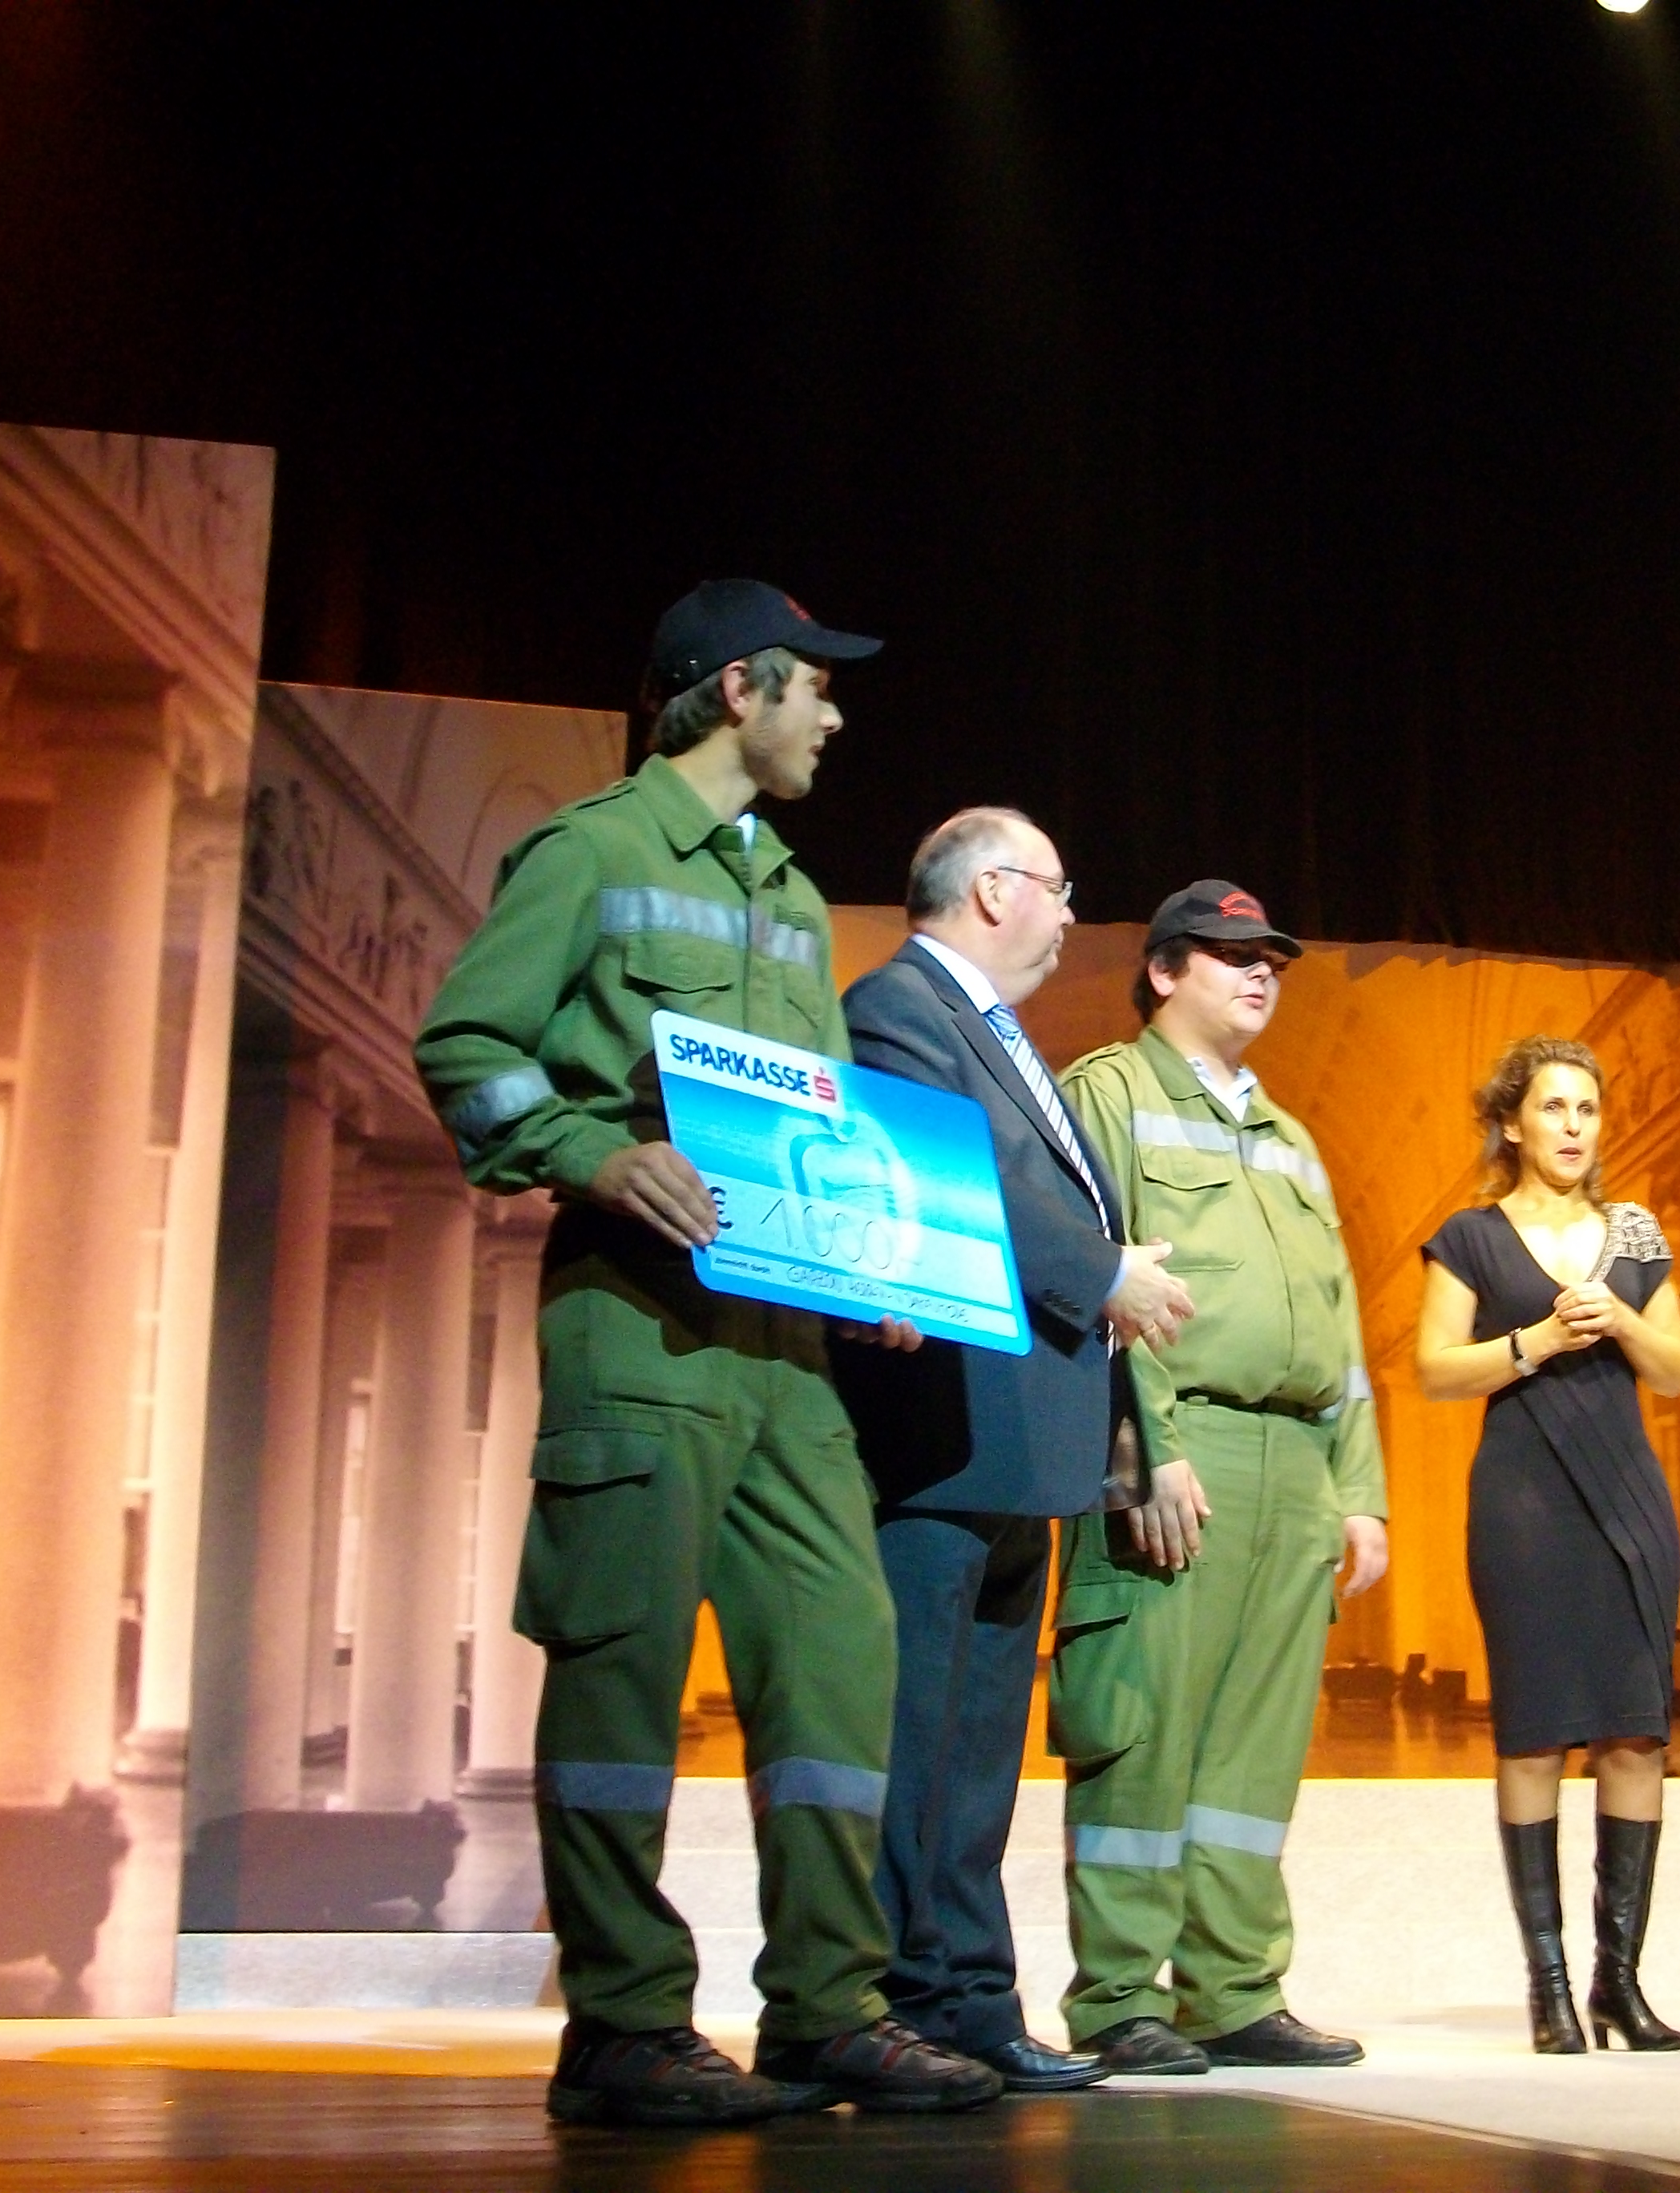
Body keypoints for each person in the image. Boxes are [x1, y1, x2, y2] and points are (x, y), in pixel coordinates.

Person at [414, 579, 1000, 2124]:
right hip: (637, 1330)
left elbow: (817, 1122)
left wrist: (867, 1257)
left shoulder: (792, 901)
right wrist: (591, 1155)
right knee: (619, 1673)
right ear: (740, 688)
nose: (836, 715)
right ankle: (620, 2025)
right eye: (818, 686)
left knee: (837, 1656)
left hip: (786, 1353)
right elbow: (466, 1046)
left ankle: (826, 2008)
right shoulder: (593, 853)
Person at [826, 807, 1194, 2094]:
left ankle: (973, 2001)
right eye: (1058, 886)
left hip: (1018, 1442)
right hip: (937, 1433)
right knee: (920, 1740)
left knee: (980, 1752)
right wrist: (1105, 1271)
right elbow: (959, 1176)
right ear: (992, 890)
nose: (1072, 913)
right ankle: (894, 2001)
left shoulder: (999, 1031)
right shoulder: (897, 1008)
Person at [1047, 882, 1390, 2074]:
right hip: (1178, 1447)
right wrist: (1145, 1449)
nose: (1259, 974)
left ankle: (1235, 1989)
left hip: (1293, 1468)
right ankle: (1120, 1998)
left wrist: (1358, 1489)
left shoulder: (1292, 1138)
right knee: (1141, 1726)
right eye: (1230, 954)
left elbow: (1341, 1326)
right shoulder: (1110, 1093)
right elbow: (1095, 1284)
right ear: (1161, 971)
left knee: (1255, 1745)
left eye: (1271, 961)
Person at [1413, 1036, 1680, 2055]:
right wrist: (1534, 1343)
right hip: (1524, 1506)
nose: (1574, 1126)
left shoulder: (1635, 1233)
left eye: (1588, 1108)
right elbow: (1434, 1370)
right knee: (1534, 1737)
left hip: (1630, 1504)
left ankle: (1621, 1984)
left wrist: (1620, 1320)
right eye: (1553, 1107)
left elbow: (1675, 1371)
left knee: (1636, 1736)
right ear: (1512, 1123)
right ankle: (1551, 1990)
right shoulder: (1471, 1237)